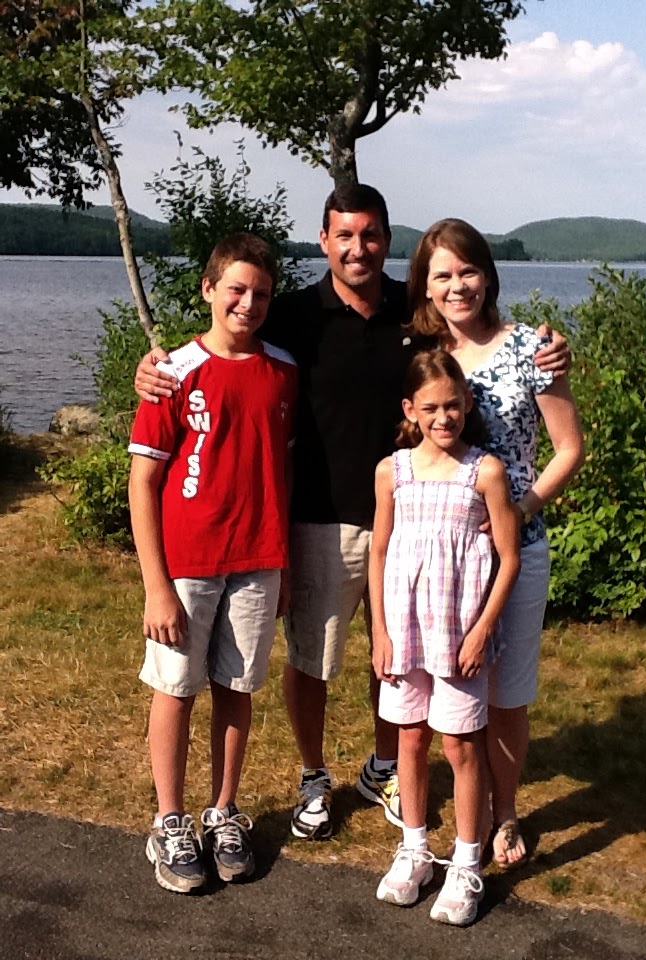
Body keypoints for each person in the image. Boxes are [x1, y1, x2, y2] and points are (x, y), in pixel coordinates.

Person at [132, 185, 570, 841]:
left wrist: (549, 348)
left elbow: (476, 340)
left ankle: (385, 767)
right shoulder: (291, 314)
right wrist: (154, 368)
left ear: (387, 241)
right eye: (344, 235)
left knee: (397, 655)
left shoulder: (415, 312)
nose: (357, 248)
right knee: (313, 659)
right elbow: (225, 344)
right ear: (324, 241)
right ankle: (313, 775)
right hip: (321, 518)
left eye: (369, 235)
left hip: (416, 523)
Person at [407, 219, 585, 869]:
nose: (457, 286)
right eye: (443, 275)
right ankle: (455, 805)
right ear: (425, 285)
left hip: (517, 550)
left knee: (507, 695)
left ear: (488, 275)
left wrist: (520, 508)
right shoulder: (418, 353)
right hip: (439, 553)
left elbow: (569, 449)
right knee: (445, 687)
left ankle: (503, 811)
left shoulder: (532, 348)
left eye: (468, 271)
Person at [128, 233, 298, 893]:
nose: (248, 304)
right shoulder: (173, 371)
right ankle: (169, 821)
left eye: (261, 294)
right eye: (236, 289)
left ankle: (223, 811)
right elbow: (143, 483)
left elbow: (282, 470)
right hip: (188, 565)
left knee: (236, 687)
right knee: (175, 688)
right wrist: (156, 586)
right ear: (208, 289)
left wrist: (283, 566)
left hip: (258, 559)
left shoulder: (283, 370)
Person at [369, 350, 520, 926]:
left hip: (458, 635)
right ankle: (414, 848)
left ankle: (466, 861)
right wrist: (380, 630)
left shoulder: (485, 472)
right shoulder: (393, 471)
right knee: (409, 739)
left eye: (452, 406)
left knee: (459, 746)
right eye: (430, 408)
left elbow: (508, 559)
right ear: (410, 409)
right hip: (405, 632)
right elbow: (379, 551)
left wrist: (482, 630)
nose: (443, 417)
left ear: (467, 403)